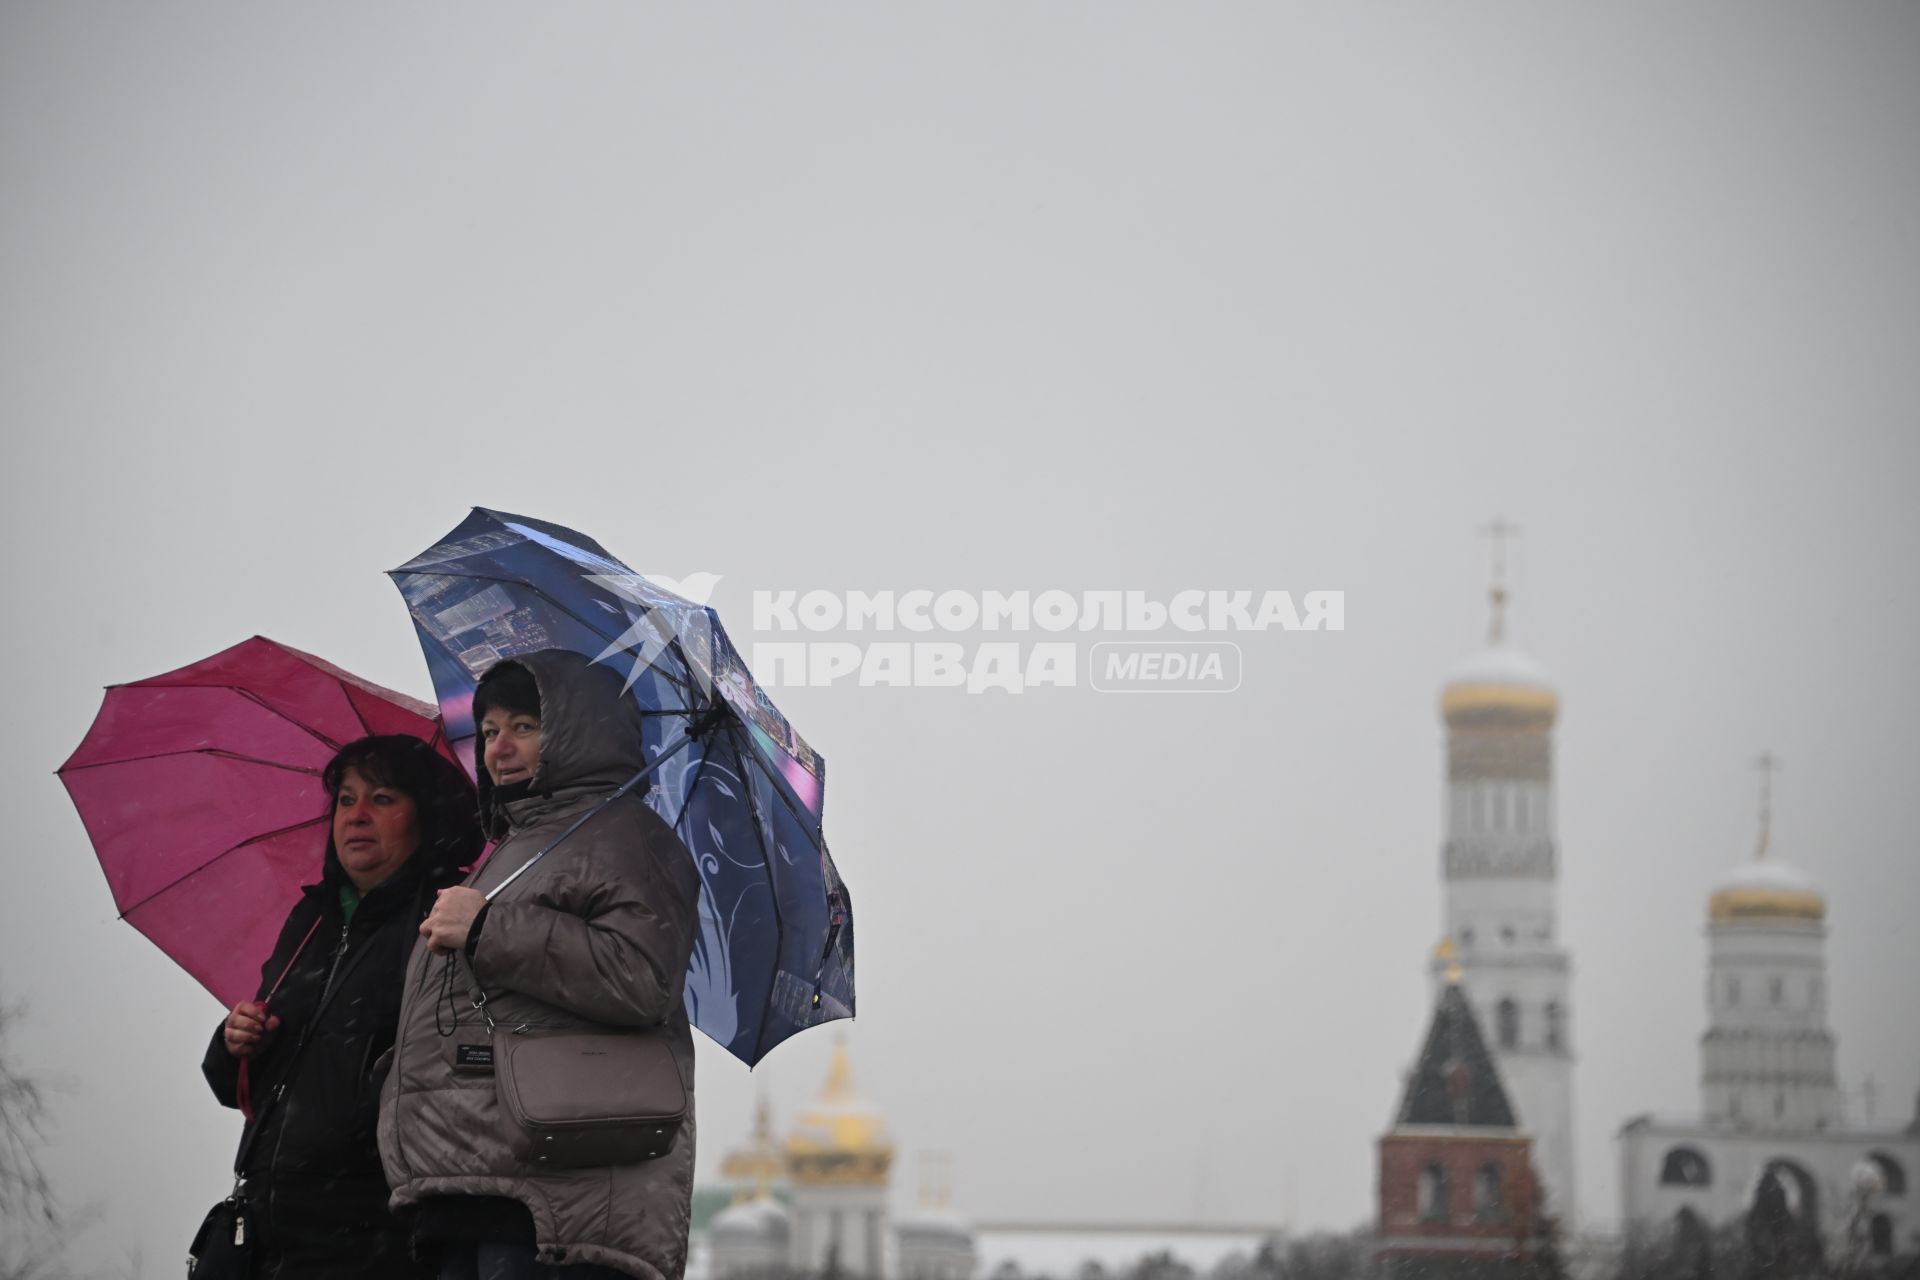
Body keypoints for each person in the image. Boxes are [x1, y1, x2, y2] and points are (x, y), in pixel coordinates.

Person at [379, 650, 702, 1280]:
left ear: (579, 734)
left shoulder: (629, 838)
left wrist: (487, 928)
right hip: (476, 1183)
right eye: (490, 731)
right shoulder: (515, 847)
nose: (499, 748)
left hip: (554, 1200)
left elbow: (642, 979)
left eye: (524, 727)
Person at [203, 734, 483, 1280]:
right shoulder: (311, 918)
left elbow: (455, 1070)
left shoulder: (446, 916)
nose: (355, 816)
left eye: (382, 799)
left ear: (425, 816)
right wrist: (238, 1043)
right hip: (268, 1227)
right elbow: (236, 1086)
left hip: (375, 1232)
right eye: (346, 800)